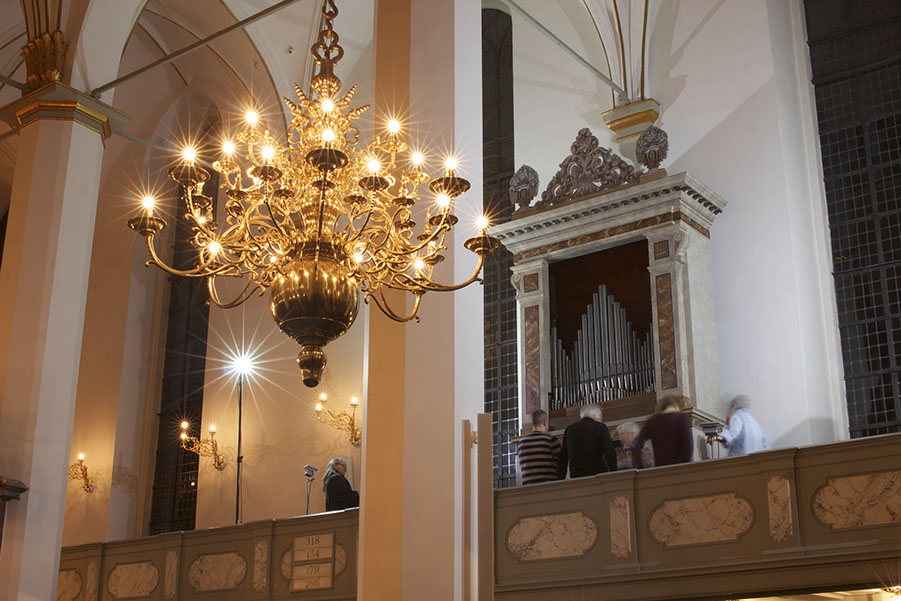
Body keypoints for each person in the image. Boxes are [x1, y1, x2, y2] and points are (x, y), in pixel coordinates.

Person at [557, 404, 617, 479]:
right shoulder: (600, 427)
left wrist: (560, 479)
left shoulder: (569, 430)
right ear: (597, 418)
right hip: (597, 476)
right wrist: (614, 473)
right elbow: (609, 452)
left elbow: (563, 458)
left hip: (576, 476)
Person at [633, 396, 692, 468]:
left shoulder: (652, 421)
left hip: (661, 470)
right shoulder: (682, 418)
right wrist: (686, 464)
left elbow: (636, 444)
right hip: (680, 468)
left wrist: (641, 467)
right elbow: (688, 444)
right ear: (675, 405)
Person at [516, 409, 561, 484]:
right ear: (544, 422)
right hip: (550, 486)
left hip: (529, 489)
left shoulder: (521, 444)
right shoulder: (551, 440)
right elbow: (560, 464)